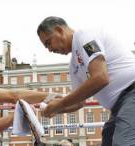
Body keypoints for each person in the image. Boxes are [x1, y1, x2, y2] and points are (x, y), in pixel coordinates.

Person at [37, 16, 135, 146]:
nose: (49, 50)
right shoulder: (74, 66)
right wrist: (54, 110)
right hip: (119, 107)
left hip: (131, 93)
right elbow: (79, 103)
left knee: (122, 143)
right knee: (108, 140)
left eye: (48, 43)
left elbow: (101, 77)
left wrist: (59, 104)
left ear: (59, 30)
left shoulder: (86, 38)